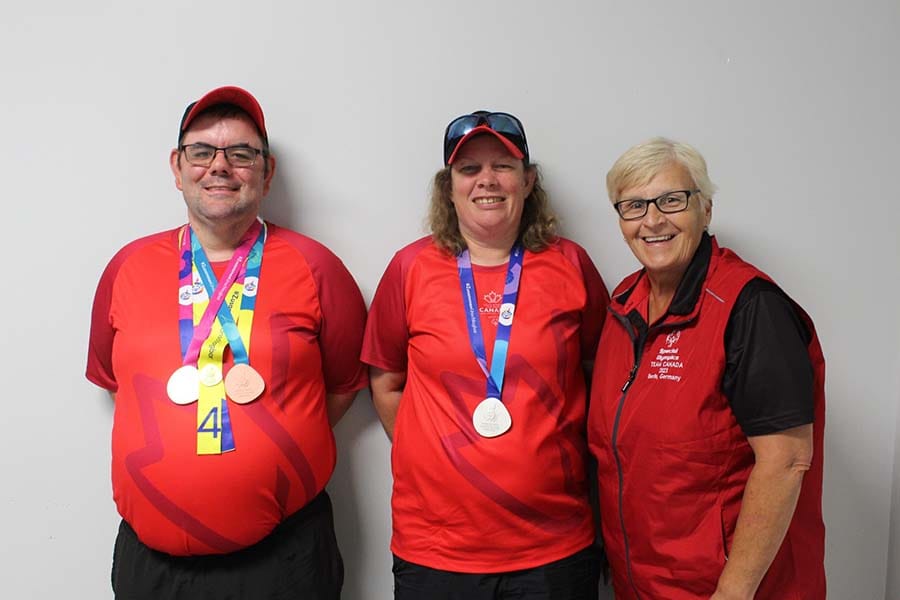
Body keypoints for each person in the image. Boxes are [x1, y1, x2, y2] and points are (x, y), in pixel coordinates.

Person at [86, 86, 367, 599]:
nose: (220, 166)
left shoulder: (318, 267)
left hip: (284, 560)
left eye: (241, 153)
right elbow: (115, 384)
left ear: (267, 171)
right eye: (201, 151)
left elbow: (344, 386)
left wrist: (274, 443)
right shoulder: (126, 267)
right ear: (177, 167)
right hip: (151, 567)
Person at [362, 111, 610, 599]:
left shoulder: (570, 263)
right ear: (449, 187)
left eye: (503, 166)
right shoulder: (410, 268)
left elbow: (600, 375)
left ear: (528, 180)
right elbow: (386, 382)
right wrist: (435, 456)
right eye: (469, 169)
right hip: (437, 548)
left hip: (553, 546)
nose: (487, 180)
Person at [588, 137, 826, 599]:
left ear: (706, 209)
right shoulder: (622, 304)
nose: (652, 220)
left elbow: (786, 461)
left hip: (725, 589)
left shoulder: (751, 308)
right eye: (634, 206)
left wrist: (732, 592)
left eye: (672, 200)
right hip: (644, 584)